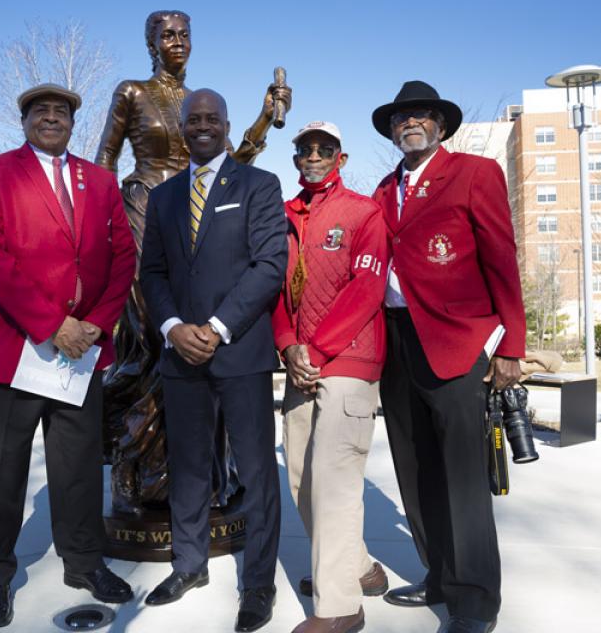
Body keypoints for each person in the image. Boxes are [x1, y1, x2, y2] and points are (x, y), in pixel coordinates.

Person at [95, 10, 290, 511]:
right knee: (149, 334)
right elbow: (104, 161)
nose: (177, 42)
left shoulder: (198, 104)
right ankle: (140, 468)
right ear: (151, 43)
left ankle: (202, 475)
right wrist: (105, 226)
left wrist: (265, 116)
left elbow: (230, 167)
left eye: (184, 34)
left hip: (195, 223)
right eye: (167, 35)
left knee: (203, 338)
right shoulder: (132, 92)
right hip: (143, 212)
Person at [0, 83, 136, 629]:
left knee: (80, 467)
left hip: (78, 354)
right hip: (16, 349)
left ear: (72, 124)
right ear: (24, 121)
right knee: (0, 469)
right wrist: (51, 324)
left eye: (62, 113)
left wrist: (92, 325)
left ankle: (84, 563)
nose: (52, 119)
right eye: (41, 111)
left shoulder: (101, 181)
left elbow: (122, 258)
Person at [371, 81, 526, 633]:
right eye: (401, 117)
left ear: (440, 124)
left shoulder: (474, 174)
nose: (410, 123)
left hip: (457, 342)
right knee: (414, 470)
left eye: (421, 115)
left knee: (463, 475)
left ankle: (476, 599)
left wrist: (512, 343)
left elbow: (502, 259)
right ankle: (438, 574)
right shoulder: (383, 190)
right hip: (395, 342)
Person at [139, 88, 287, 632]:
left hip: (241, 352)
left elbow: (270, 264)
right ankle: (189, 565)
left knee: (254, 472)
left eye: (212, 119)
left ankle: (259, 585)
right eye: (193, 120)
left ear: (227, 126)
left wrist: (218, 327)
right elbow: (150, 273)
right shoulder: (164, 197)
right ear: (182, 127)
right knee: (190, 467)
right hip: (180, 356)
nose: (202, 127)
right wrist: (175, 328)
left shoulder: (259, 185)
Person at [272, 121, 390, 633]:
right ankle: (356, 568)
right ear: (296, 158)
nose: (314, 156)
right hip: (300, 362)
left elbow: (367, 289)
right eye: (305, 149)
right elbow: (275, 290)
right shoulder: (282, 216)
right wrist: (287, 345)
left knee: (334, 480)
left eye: (325, 149)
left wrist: (316, 348)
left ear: (340, 158)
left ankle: (340, 606)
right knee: (300, 475)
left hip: (349, 360)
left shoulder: (364, 212)